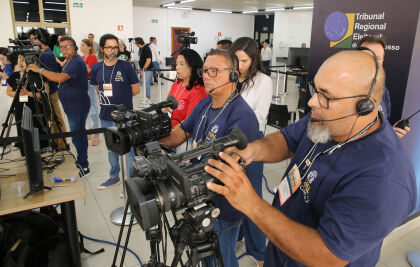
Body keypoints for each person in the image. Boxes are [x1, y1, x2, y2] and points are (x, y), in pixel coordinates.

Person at [204, 50, 417, 266]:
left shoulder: (385, 179)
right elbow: (287, 140)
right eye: (315, 89)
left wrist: (251, 203)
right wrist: (251, 150)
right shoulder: (325, 117)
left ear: (365, 106)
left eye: (326, 96)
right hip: (281, 252)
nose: (313, 102)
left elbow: (326, 255)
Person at [160, 49, 259, 267]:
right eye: (205, 70)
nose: (206, 76)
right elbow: (179, 134)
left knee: (220, 259)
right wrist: (154, 143)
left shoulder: (243, 116)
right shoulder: (205, 104)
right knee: (205, 259)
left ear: (233, 74)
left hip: (223, 206)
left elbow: (227, 167)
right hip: (198, 197)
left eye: (214, 71)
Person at [231, 37, 272, 267]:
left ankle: (259, 252)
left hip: (251, 143)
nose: (239, 65)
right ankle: (237, 235)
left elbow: (258, 118)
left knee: (253, 197)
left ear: (254, 59)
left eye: (244, 60)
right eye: (235, 59)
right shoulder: (232, 77)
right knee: (233, 194)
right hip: (228, 143)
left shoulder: (263, 81)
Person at [27, 36, 91, 178]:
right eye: (61, 47)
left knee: (78, 136)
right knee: (77, 135)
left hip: (77, 106)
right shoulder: (69, 61)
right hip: (72, 105)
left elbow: (60, 78)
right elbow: (57, 75)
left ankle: (84, 165)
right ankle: (82, 162)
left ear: (74, 46)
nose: (64, 49)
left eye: (67, 46)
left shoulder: (76, 62)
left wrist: (40, 70)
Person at [90, 34, 140, 190]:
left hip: (125, 116)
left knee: (130, 149)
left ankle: (132, 181)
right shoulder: (97, 67)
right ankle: (113, 177)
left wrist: (122, 99)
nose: (113, 51)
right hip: (106, 115)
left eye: (115, 47)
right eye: (109, 47)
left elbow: (136, 89)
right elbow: (97, 88)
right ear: (103, 49)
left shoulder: (126, 66)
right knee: (112, 149)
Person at [356, 35, 411, 139]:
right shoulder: (339, 89)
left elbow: (383, 126)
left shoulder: (383, 91)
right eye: (368, 56)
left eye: (378, 58)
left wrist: (391, 134)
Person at [28, 28, 67, 150]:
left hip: (51, 90)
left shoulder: (47, 54)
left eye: (34, 39)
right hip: (46, 89)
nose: (32, 42)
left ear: (41, 39)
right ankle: (57, 142)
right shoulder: (42, 54)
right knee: (52, 118)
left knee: (56, 117)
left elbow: (52, 75)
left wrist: (39, 72)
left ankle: (62, 144)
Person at [6, 54, 49, 154]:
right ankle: (25, 152)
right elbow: (8, 91)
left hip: (35, 107)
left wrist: (27, 93)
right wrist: (17, 93)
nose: (27, 63)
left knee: (37, 128)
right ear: (21, 62)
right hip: (20, 107)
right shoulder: (15, 75)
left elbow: (43, 94)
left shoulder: (38, 76)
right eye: (25, 61)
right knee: (21, 128)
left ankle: (41, 150)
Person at [167, 48, 207, 128]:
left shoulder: (198, 90)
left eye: (181, 64)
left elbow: (189, 122)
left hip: (181, 134)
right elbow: (166, 107)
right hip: (168, 127)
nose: (177, 67)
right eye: (177, 64)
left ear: (192, 67)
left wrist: (170, 133)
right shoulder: (176, 84)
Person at [81, 39, 100, 146]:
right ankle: (89, 129)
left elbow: (89, 71)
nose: (81, 47)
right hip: (82, 84)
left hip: (90, 84)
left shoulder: (92, 57)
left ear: (89, 47)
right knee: (85, 108)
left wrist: (83, 69)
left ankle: (96, 134)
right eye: (81, 45)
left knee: (93, 108)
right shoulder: (82, 58)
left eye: (83, 45)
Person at [138, 37, 153, 103]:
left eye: (136, 43)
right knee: (145, 83)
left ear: (138, 43)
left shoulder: (146, 48)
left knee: (147, 84)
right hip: (144, 69)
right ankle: (145, 97)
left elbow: (148, 60)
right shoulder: (142, 48)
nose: (136, 44)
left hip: (148, 69)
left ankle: (148, 98)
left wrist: (143, 69)